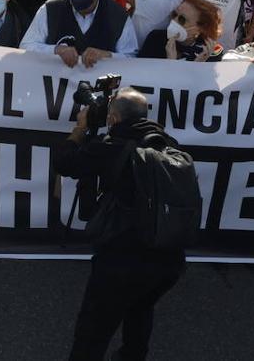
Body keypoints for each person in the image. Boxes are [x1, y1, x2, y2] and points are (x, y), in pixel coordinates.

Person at [52, 87, 186, 361]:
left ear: (112, 119)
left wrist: (80, 128)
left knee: (93, 331)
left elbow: (64, 163)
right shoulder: (169, 143)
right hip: (169, 258)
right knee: (140, 311)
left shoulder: (112, 148)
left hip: (122, 261)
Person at [21, 0, 135, 64]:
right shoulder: (51, 8)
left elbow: (131, 57)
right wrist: (56, 50)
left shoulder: (117, 15)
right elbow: (26, 46)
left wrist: (106, 55)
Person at [136, 0, 224, 62]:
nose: (174, 21)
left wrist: (198, 67)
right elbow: (143, 78)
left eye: (182, 19)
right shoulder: (156, 39)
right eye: (174, 14)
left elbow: (202, 84)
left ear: (199, 29)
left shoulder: (208, 52)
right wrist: (170, 63)